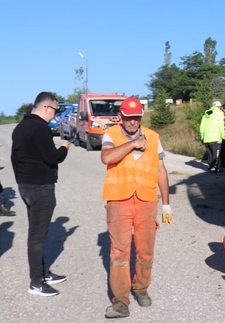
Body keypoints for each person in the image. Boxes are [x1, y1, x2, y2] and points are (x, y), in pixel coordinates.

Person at [100, 97, 172, 319]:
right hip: (118, 201)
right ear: (120, 117)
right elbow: (106, 157)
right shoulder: (111, 135)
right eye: (128, 117)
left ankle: (141, 288)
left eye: (136, 117)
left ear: (141, 116)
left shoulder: (153, 137)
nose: (132, 122)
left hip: (147, 201)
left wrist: (166, 204)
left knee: (145, 249)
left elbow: (161, 170)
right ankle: (120, 301)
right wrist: (131, 144)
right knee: (120, 252)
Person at [11, 92, 71, 297]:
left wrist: (21, 180)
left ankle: (44, 273)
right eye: (55, 110)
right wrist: (64, 148)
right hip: (41, 188)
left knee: (38, 233)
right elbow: (52, 157)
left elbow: (14, 158)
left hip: (26, 186)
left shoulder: (20, 127)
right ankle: (36, 282)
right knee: (37, 236)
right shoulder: (40, 128)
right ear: (46, 108)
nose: (55, 115)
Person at [199, 100, 225, 173]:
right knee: (216, 154)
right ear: (219, 106)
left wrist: (202, 136)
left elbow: (202, 127)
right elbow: (221, 126)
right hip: (216, 138)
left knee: (210, 154)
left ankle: (210, 167)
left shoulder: (206, 114)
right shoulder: (219, 113)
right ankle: (215, 167)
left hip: (206, 138)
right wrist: (223, 135)